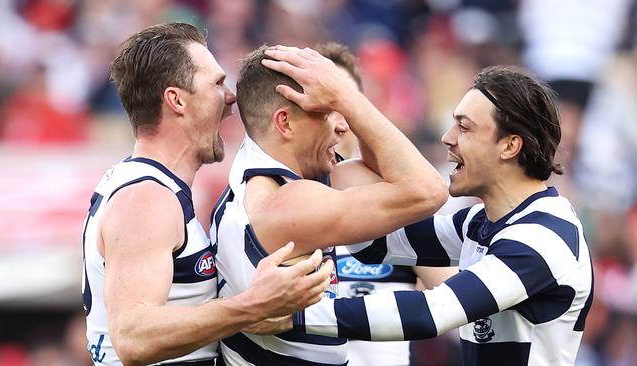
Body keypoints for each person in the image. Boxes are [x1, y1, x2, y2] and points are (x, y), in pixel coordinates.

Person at [283, 64, 594, 366]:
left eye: (464, 127)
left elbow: (431, 313)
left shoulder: (543, 238)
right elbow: (374, 243)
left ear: (510, 145)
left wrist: (292, 317)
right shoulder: (480, 223)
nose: (447, 137)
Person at [81, 23, 333, 366]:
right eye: (216, 83)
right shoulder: (147, 199)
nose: (231, 97)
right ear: (176, 100)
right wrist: (253, 304)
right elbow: (132, 337)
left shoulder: (148, 186)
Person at [210, 44, 448, 365]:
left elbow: (392, 175)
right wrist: (348, 99)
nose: (343, 125)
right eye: (327, 111)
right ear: (285, 123)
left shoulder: (279, 178)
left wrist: (342, 96)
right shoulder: (286, 206)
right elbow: (427, 190)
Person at [314, 41, 457, 366]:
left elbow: (457, 297)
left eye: (343, 105)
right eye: (323, 105)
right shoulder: (274, 197)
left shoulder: (394, 201)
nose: (336, 121)